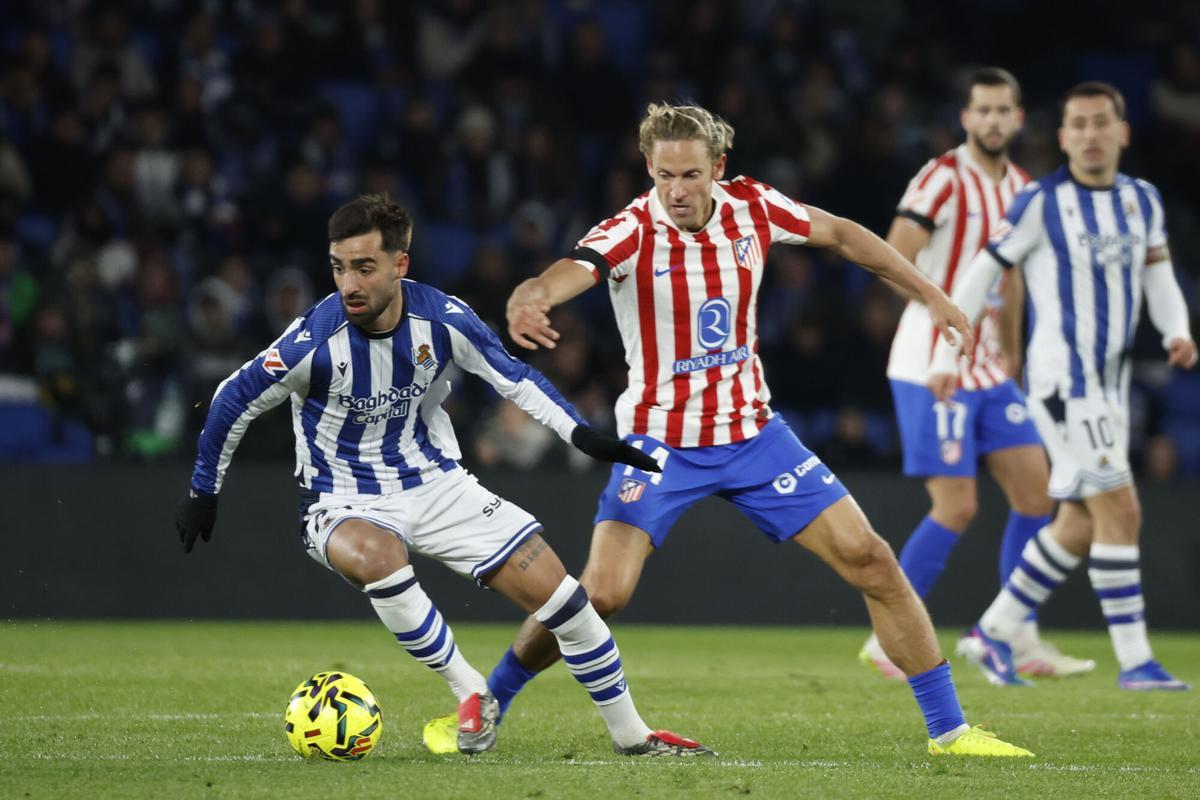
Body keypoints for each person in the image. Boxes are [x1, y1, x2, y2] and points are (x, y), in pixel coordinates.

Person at [425, 102, 1033, 757]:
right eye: (663, 176)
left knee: (872, 559)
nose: (676, 191)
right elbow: (573, 269)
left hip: (753, 434)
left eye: (689, 175)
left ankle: (950, 730)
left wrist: (933, 295)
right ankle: (486, 701)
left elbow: (848, 237)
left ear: (718, 168)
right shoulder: (632, 229)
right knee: (600, 594)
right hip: (658, 444)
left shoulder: (756, 207)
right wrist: (530, 293)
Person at [174, 194, 716, 757]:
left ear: (399, 264)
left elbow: (514, 378)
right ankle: (470, 689)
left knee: (567, 604)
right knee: (381, 558)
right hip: (343, 499)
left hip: (438, 485)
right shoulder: (314, 341)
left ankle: (634, 737)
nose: (349, 283)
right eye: (339, 267)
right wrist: (202, 491)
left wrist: (581, 434)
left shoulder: (444, 319)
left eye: (364, 267)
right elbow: (231, 398)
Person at [929, 82, 1197, 690]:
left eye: (1102, 122)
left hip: (1111, 382)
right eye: (1078, 124)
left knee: (1077, 521)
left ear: (1122, 131)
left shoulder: (1142, 201)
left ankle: (992, 633)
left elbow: (1157, 274)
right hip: (1063, 382)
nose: (1091, 134)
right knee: (1121, 507)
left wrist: (1177, 329)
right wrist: (951, 342)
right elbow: (985, 269)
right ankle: (1135, 663)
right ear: (1063, 136)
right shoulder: (1040, 202)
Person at [860, 67, 1093, 680]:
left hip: (990, 367)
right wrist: (940, 318)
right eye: (982, 110)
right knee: (957, 505)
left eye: (1003, 110)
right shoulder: (941, 177)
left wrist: (1011, 352)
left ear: (1018, 119)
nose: (993, 120)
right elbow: (891, 258)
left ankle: (1016, 632)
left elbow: (1010, 281)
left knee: (1037, 494)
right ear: (967, 118)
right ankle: (887, 638)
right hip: (928, 360)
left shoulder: (1021, 187)